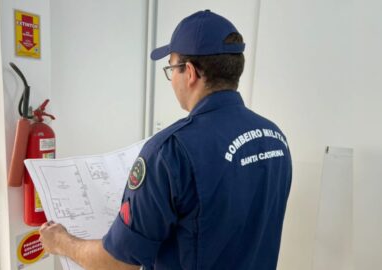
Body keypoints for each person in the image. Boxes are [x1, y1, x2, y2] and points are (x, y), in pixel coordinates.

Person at [39, 10, 292, 270]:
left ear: (190, 72)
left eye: (171, 68)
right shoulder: (274, 138)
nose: (171, 80)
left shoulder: (170, 152)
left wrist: (61, 241)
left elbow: (117, 262)